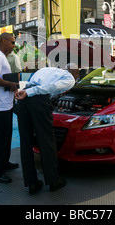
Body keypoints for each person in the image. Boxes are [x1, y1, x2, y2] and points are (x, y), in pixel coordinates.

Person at [15, 64, 79, 194]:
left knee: (26, 141)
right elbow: (51, 87)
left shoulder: (46, 69)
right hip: (36, 99)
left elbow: (32, 83)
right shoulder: (70, 78)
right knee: (46, 140)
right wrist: (30, 92)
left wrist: (27, 92)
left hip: (23, 100)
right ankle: (53, 180)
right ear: (75, 73)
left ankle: (31, 183)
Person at [0, 32, 20, 183]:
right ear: (3, 41)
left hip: (5, 103)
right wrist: (11, 84)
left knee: (6, 137)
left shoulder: (2, 57)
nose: (14, 45)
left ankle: (4, 163)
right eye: (12, 42)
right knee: (0, 138)